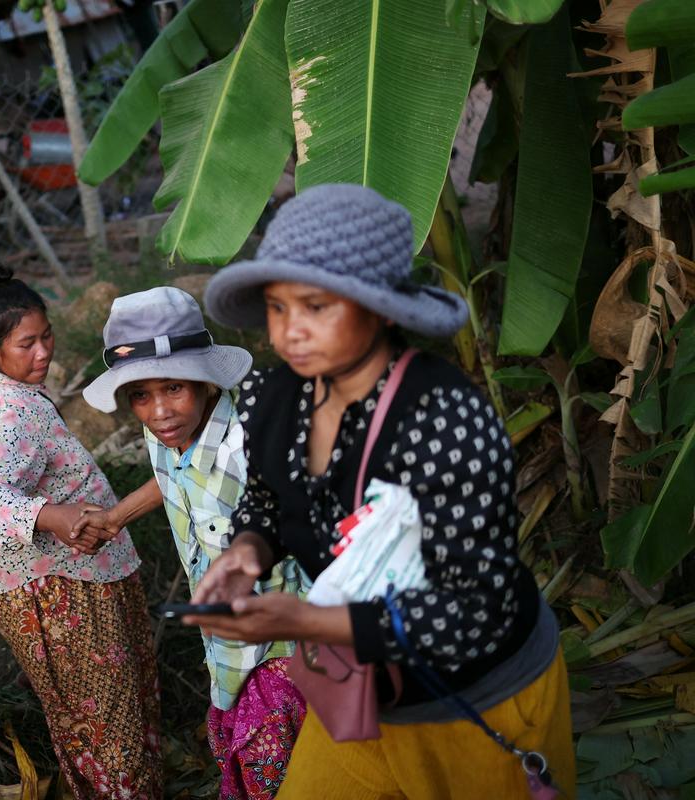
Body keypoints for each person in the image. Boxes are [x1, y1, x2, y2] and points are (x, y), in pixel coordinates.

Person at [185, 184, 576, 799]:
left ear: (384, 310)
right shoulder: (274, 398)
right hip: (360, 694)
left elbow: (477, 610)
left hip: (480, 697)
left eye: (316, 307)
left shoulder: (443, 417)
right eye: (278, 308)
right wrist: (246, 554)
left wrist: (310, 620)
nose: (291, 332)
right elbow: (266, 496)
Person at [0, 266, 163, 799]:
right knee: (108, 722)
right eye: (28, 344)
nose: (44, 352)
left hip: (55, 581)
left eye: (46, 336)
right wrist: (56, 516)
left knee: (90, 716)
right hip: (60, 587)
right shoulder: (7, 410)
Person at [72, 287, 306, 800]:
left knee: (283, 769)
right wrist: (116, 517)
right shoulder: (171, 433)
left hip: (283, 646)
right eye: (140, 395)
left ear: (205, 380)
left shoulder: (251, 447)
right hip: (226, 644)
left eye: (174, 388)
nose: (159, 411)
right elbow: (173, 478)